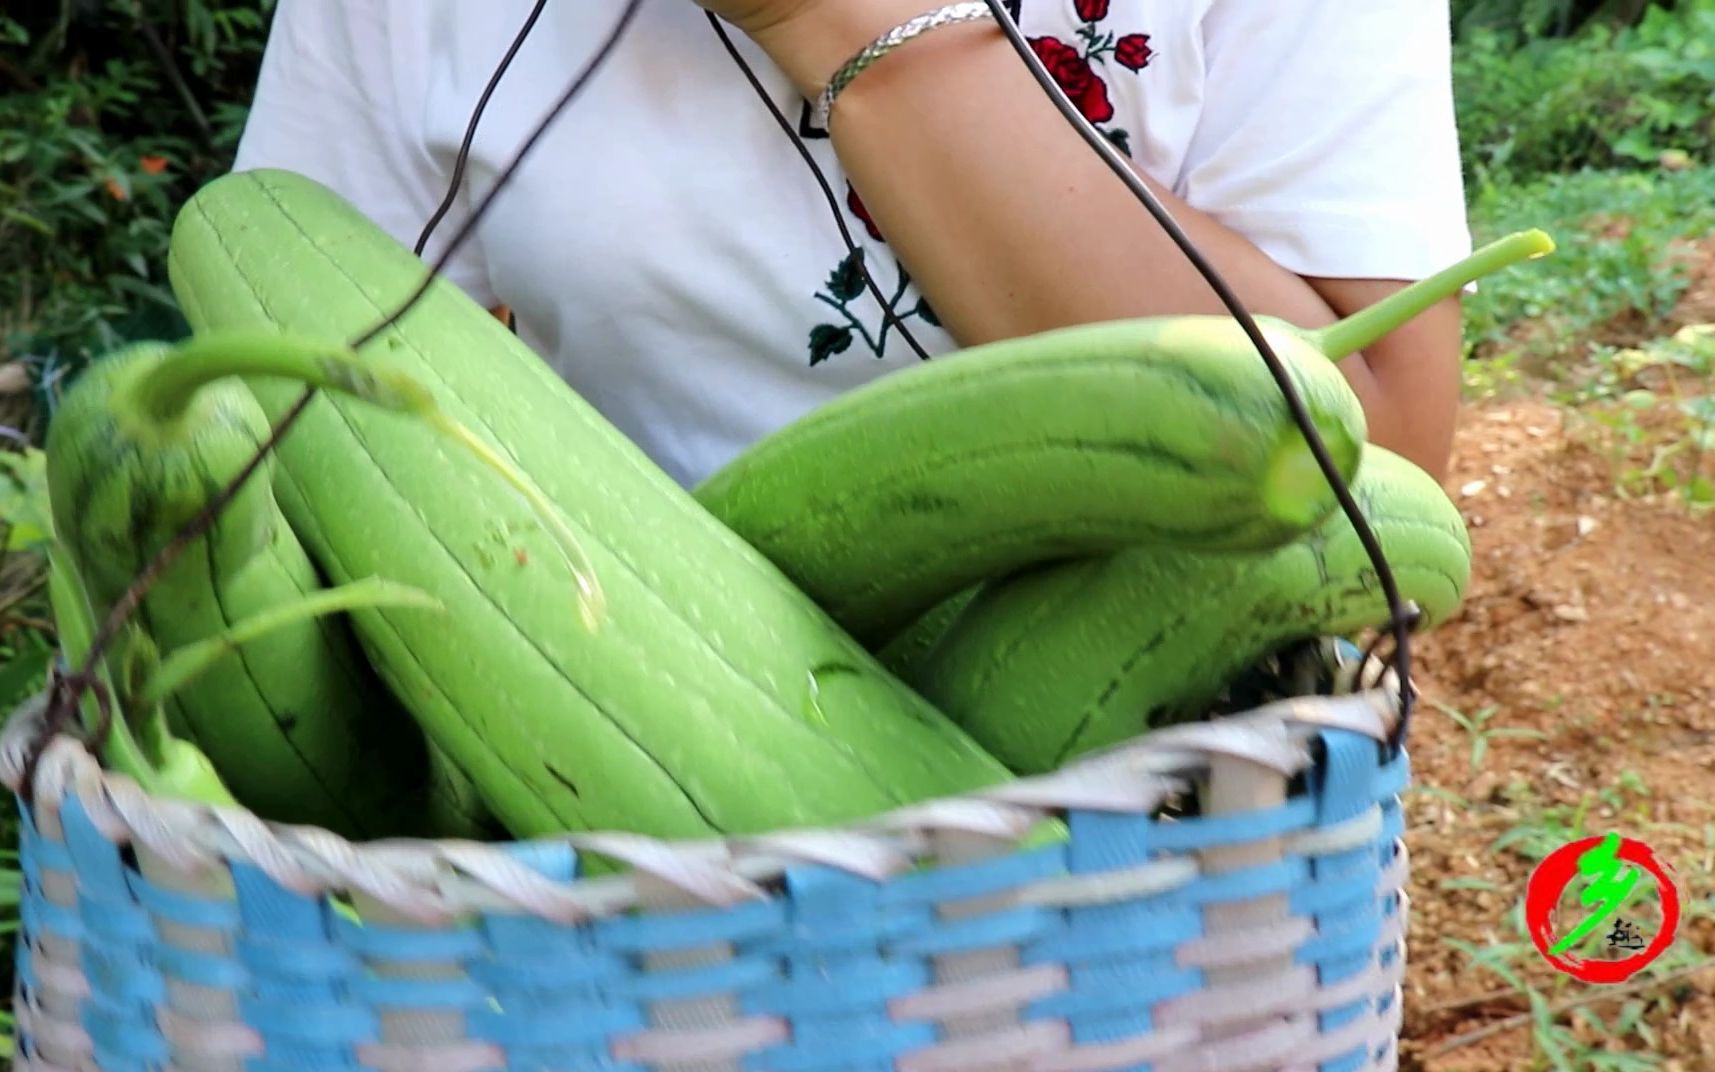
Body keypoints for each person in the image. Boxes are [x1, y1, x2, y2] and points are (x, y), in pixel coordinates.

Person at [231, 0, 1472, 490]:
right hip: (642, 786)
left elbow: (1374, 479)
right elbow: (290, 444)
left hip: (1171, 811)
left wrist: (825, 14)